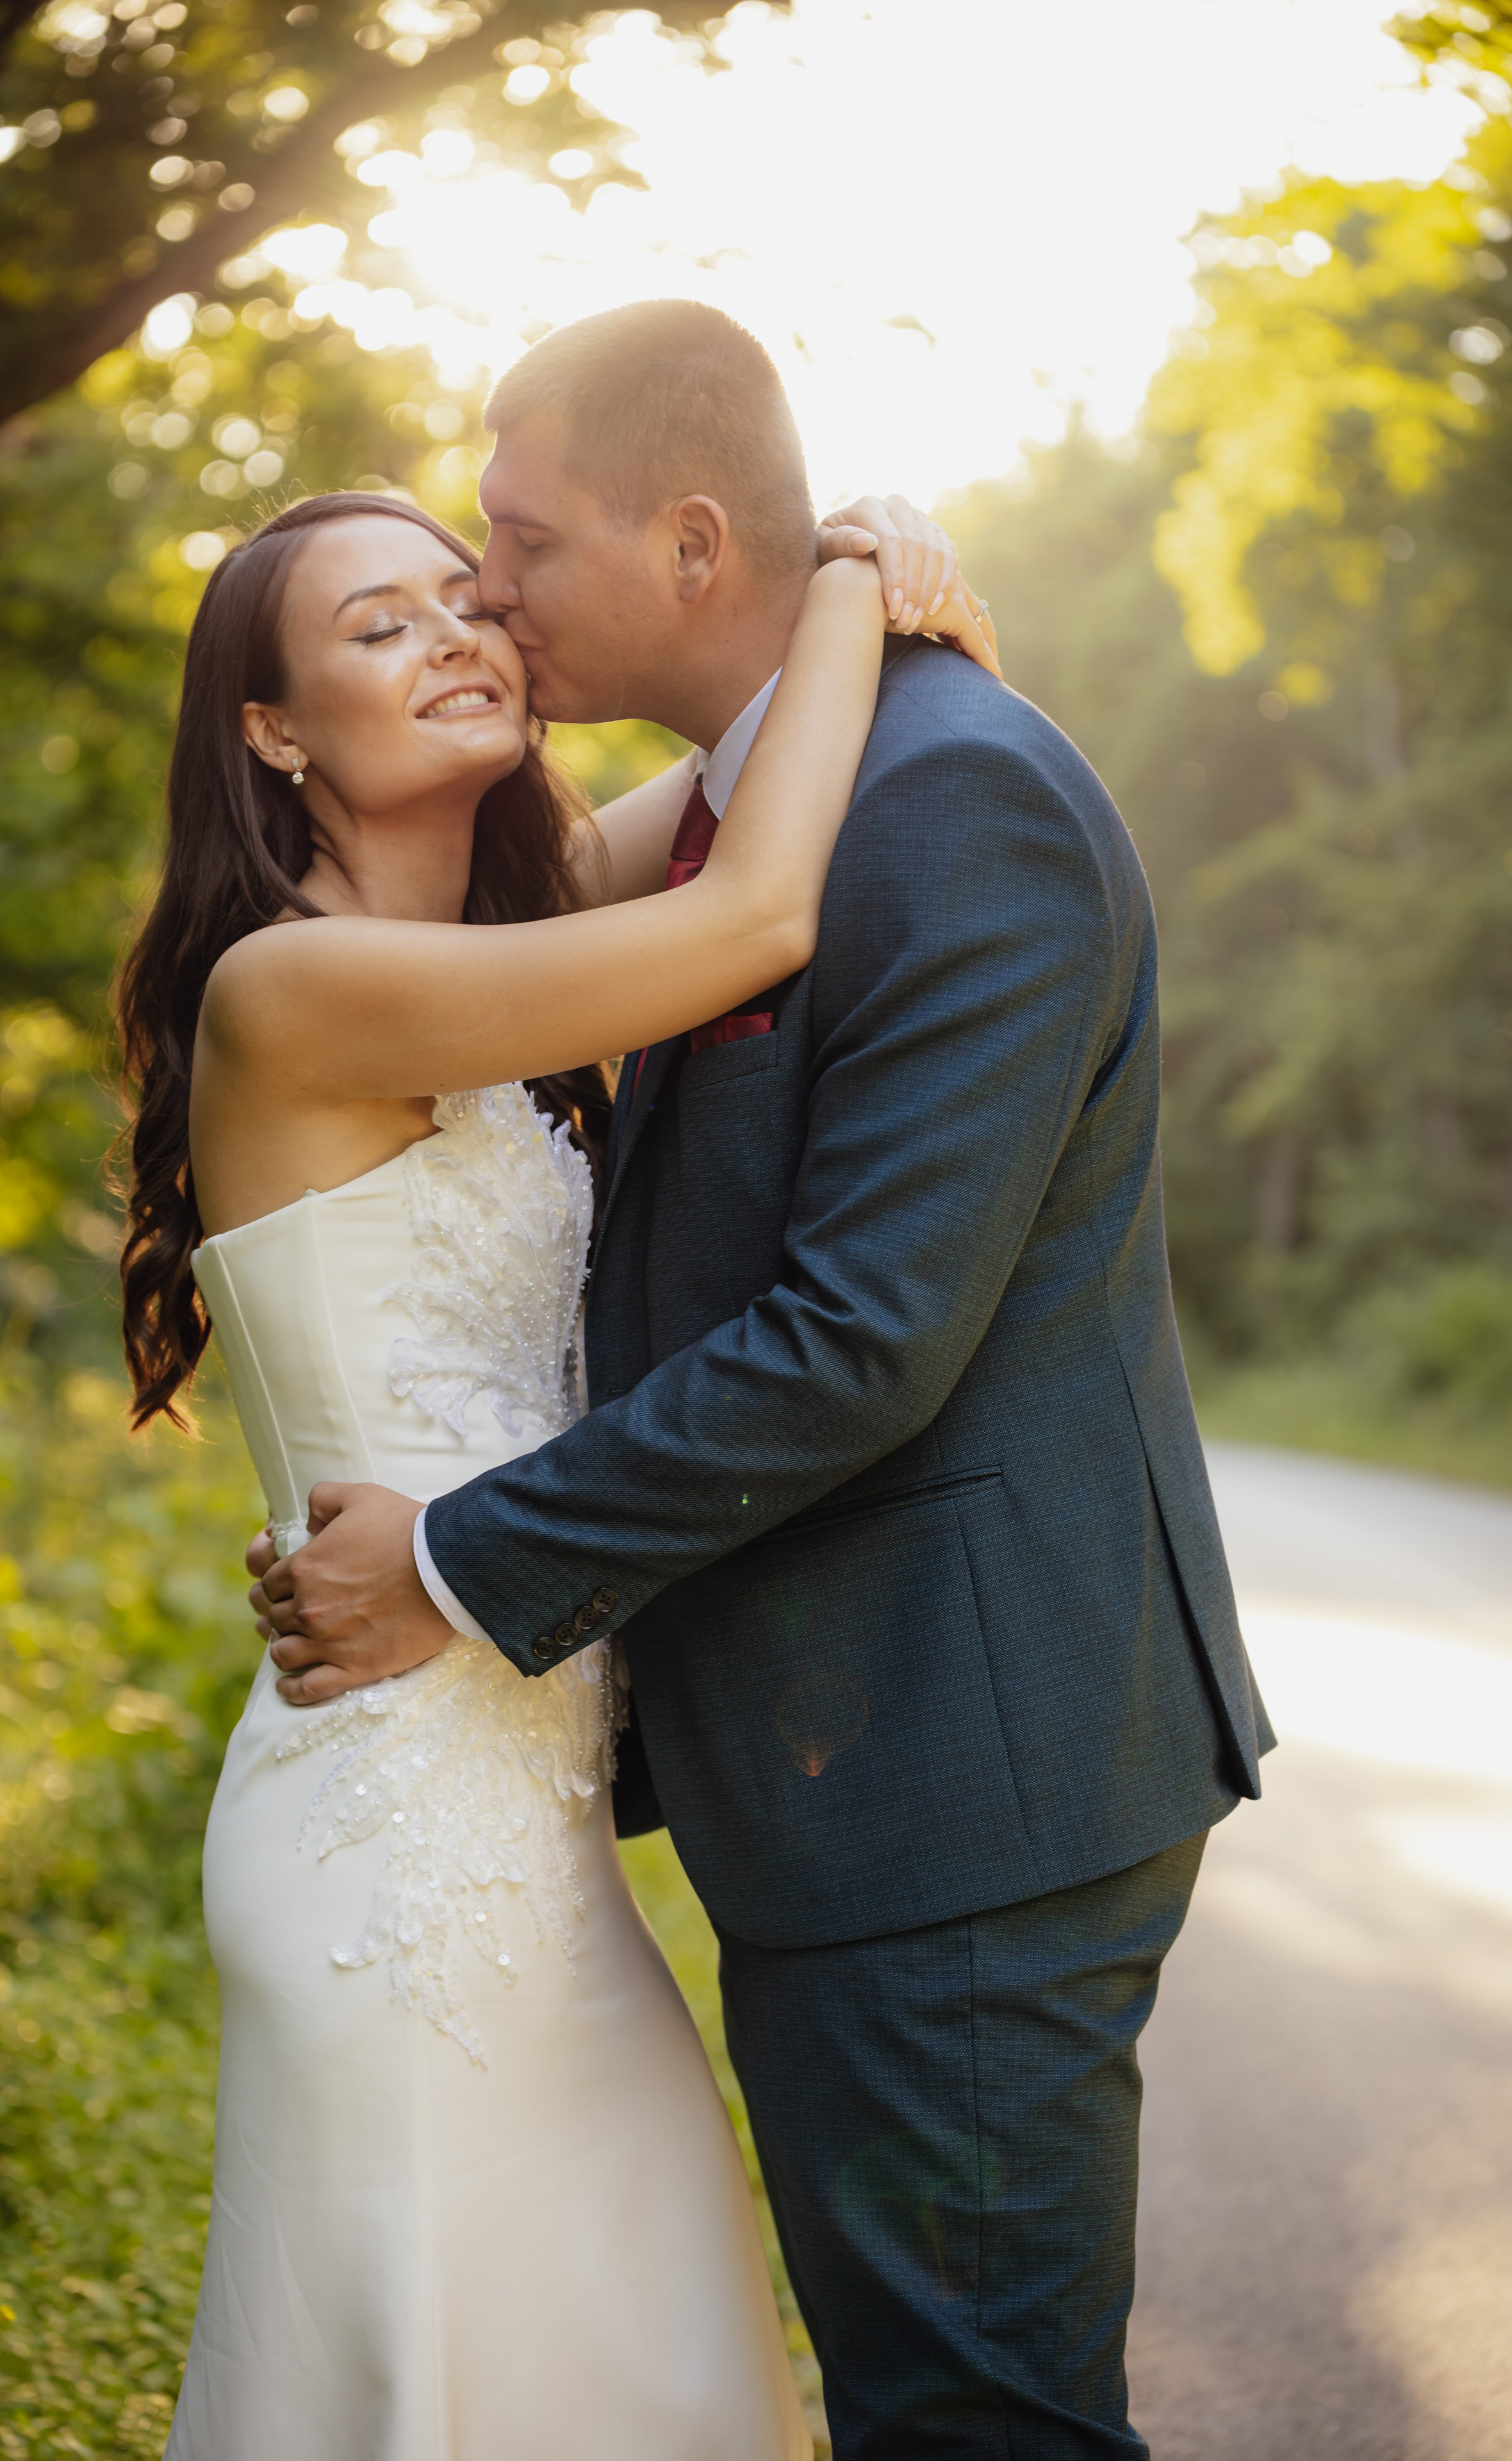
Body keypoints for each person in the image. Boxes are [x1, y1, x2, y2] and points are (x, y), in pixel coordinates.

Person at [251, 300, 1277, 2458]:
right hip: (816, 1782)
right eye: (424, 593)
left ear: (692, 543)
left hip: (956, 1781)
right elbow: (704, 928)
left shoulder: (948, 803)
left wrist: (451, 1560)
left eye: (511, 546)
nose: (488, 599)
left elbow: (862, 1340)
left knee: (973, 2420)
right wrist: (852, 573)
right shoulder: (718, 830)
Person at [117, 452, 989, 2458]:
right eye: (374, 625)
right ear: (270, 732)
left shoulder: (508, 929)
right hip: (397, 1835)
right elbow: (763, 901)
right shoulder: (300, 989)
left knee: (624, 2371)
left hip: (525, 1810)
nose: (450, 632)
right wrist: (853, 575)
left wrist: (874, 554)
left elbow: (753, 764)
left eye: (460, 592)